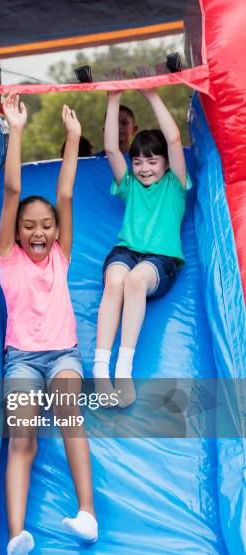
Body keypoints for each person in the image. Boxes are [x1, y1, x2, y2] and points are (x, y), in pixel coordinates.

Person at [0, 93, 98, 555]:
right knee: (21, 440)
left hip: (62, 356)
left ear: (57, 232)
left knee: (70, 413)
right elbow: (13, 192)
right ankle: (17, 540)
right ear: (16, 234)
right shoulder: (7, 257)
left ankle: (87, 514)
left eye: (46, 227)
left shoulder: (61, 253)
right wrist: (16, 129)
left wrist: (73, 139)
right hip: (20, 360)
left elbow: (66, 195)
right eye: (29, 227)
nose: (38, 232)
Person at [94, 89, 191, 406]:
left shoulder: (174, 184)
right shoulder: (130, 185)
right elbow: (111, 148)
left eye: (152, 160)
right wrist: (112, 99)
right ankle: (99, 371)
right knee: (116, 280)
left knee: (135, 281)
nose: (144, 168)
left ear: (165, 162)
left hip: (160, 261)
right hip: (126, 252)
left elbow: (175, 139)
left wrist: (151, 94)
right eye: (137, 161)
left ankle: (123, 369)